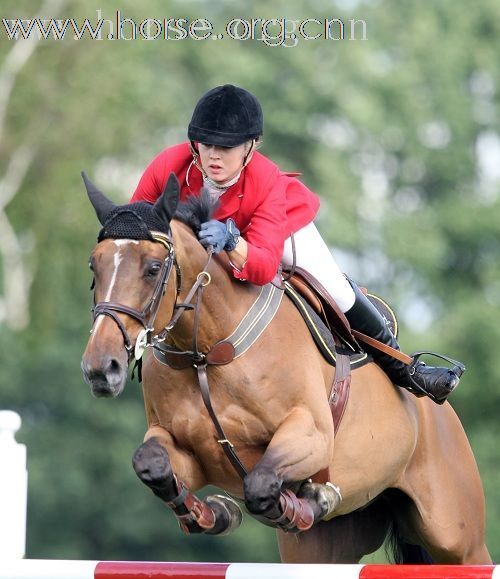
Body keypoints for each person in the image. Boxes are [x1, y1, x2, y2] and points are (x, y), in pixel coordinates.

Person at [131, 84, 462, 404]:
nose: (214, 156)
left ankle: (405, 369)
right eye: (207, 145)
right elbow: (135, 228)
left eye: (226, 147)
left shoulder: (265, 179)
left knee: (336, 289)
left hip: (276, 229)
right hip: (212, 239)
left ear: (250, 146)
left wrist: (232, 240)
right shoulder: (170, 165)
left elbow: (261, 267)